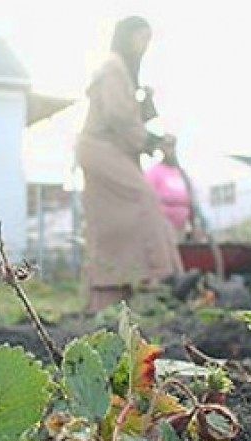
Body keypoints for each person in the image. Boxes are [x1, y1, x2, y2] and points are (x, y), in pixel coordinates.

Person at [75, 16, 186, 311]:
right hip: (100, 149)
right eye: (140, 38)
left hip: (112, 149)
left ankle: (108, 299)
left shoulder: (124, 71)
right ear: (125, 37)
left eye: (148, 40)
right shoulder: (113, 67)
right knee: (144, 198)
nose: (144, 46)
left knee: (112, 226)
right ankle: (165, 277)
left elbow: (127, 116)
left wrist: (146, 108)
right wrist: (151, 142)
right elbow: (117, 117)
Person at [144, 137, 192, 240]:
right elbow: (147, 198)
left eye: (172, 146)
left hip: (182, 227)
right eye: (167, 146)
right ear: (162, 148)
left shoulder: (182, 173)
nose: (170, 150)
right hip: (162, 227)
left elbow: (191, 198)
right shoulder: (154, 172)